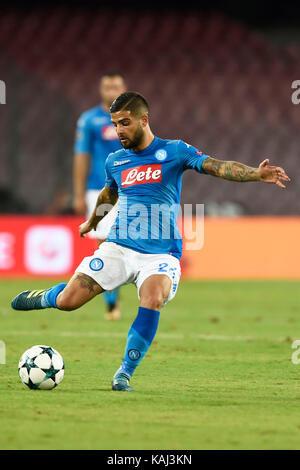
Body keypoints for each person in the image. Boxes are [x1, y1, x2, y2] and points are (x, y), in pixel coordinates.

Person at [11, 92, 291, 392]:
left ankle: (124, 373)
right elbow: (109, 193)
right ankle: (44, 298)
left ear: (144, 120)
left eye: (125, 123)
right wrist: (94, 221)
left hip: (160, 254)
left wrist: (254, 174)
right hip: (118, 247)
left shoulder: (174, 151)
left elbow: (216, 166)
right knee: (68, 302)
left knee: (153, 296)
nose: (118, 130)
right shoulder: (115, 160)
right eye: (115, 124)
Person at [73, 72, 126, 320]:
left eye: (116, 86)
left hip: (132, 188)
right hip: (99, 189)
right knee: (104, 244)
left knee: (131, 243)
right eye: (107, 86)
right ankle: (112, 303)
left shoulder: (132, 118)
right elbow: (81, 156)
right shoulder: (90, 120)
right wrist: (79, 193)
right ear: (100, 90)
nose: (111, 90)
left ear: (124, 88)